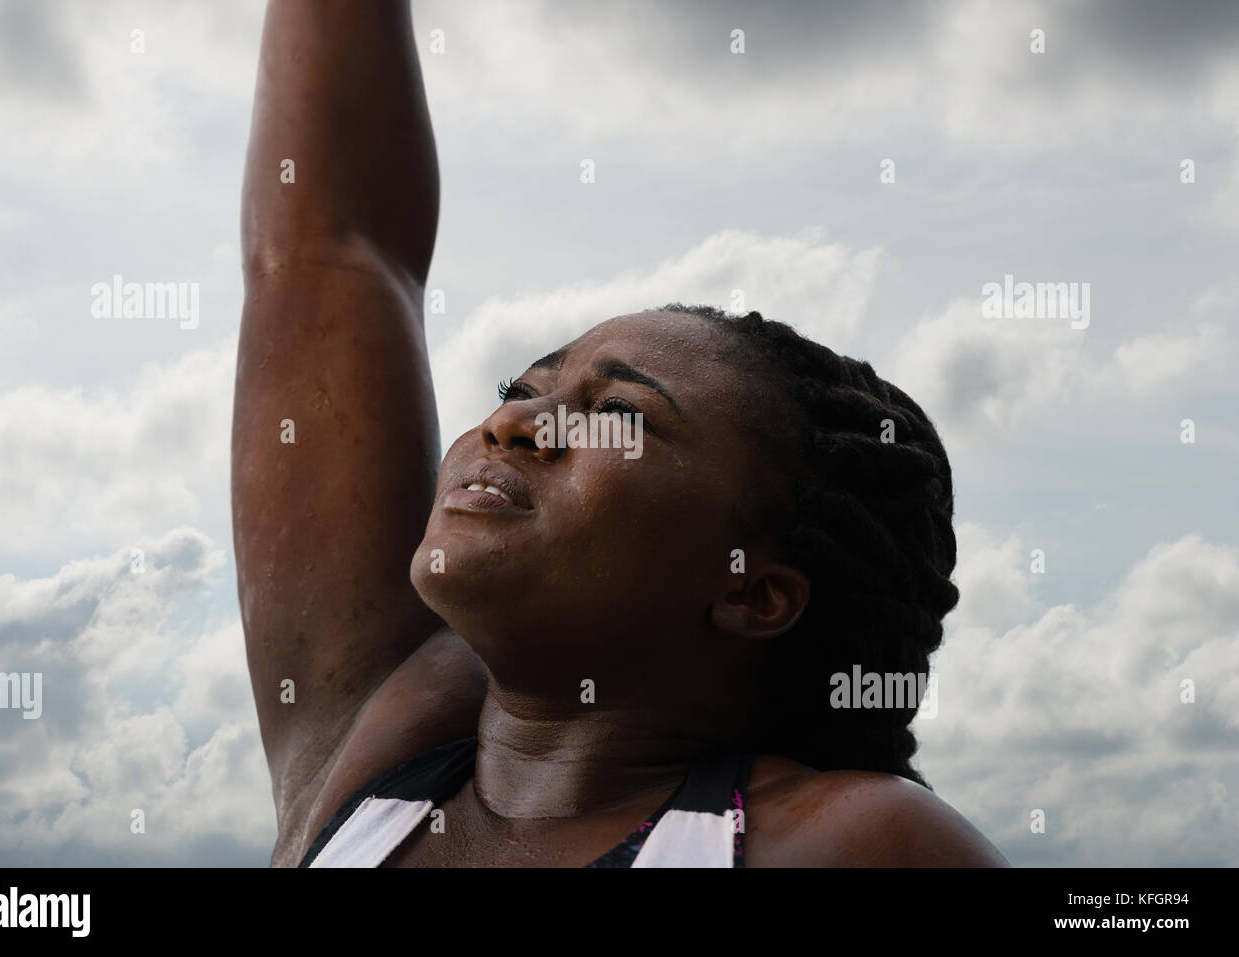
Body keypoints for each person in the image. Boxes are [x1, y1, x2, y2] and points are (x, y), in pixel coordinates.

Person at [232, 0, 1008, 868]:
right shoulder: (374, 751)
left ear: (753, 593)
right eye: (518, 388)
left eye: (617, 415)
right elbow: (332, 250)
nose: (515, 423)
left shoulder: (856, 841)